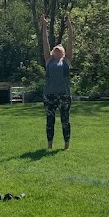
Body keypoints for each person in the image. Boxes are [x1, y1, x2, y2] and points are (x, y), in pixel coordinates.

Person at [40, 14, 73, 150]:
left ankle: (66, 145)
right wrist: (44, 26)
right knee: (50, 121)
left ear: (64, 53)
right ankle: (49, 145)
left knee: (65, 120)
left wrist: (69, 26)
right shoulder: (49, 60)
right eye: (55, 47)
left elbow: (70, 42)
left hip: (64, 95)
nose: (58, 47)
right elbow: (45, 42)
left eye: (60, 46)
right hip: (49, 95)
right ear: (52, 52)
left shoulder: (66, 60)